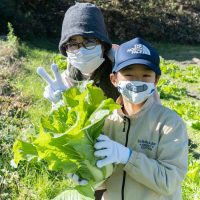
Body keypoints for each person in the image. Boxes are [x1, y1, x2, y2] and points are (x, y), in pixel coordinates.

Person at [74, 37, 188, 200]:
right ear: (114, 79)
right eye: (128, 75)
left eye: (145, 75)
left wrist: (128, 157)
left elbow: (169, 181)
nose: (137, 82)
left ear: (155, 81)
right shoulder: (104, 120)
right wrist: (86, 176)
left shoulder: (170, 123)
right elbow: (102, 178)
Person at [37, 2, 119, 110]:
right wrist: (61, 105)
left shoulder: (121, 72)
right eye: (72, 44)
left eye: (89, 41)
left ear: (103, 44)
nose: (82, 51)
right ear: (65, 49)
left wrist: (125, 68)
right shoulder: (64, 81)